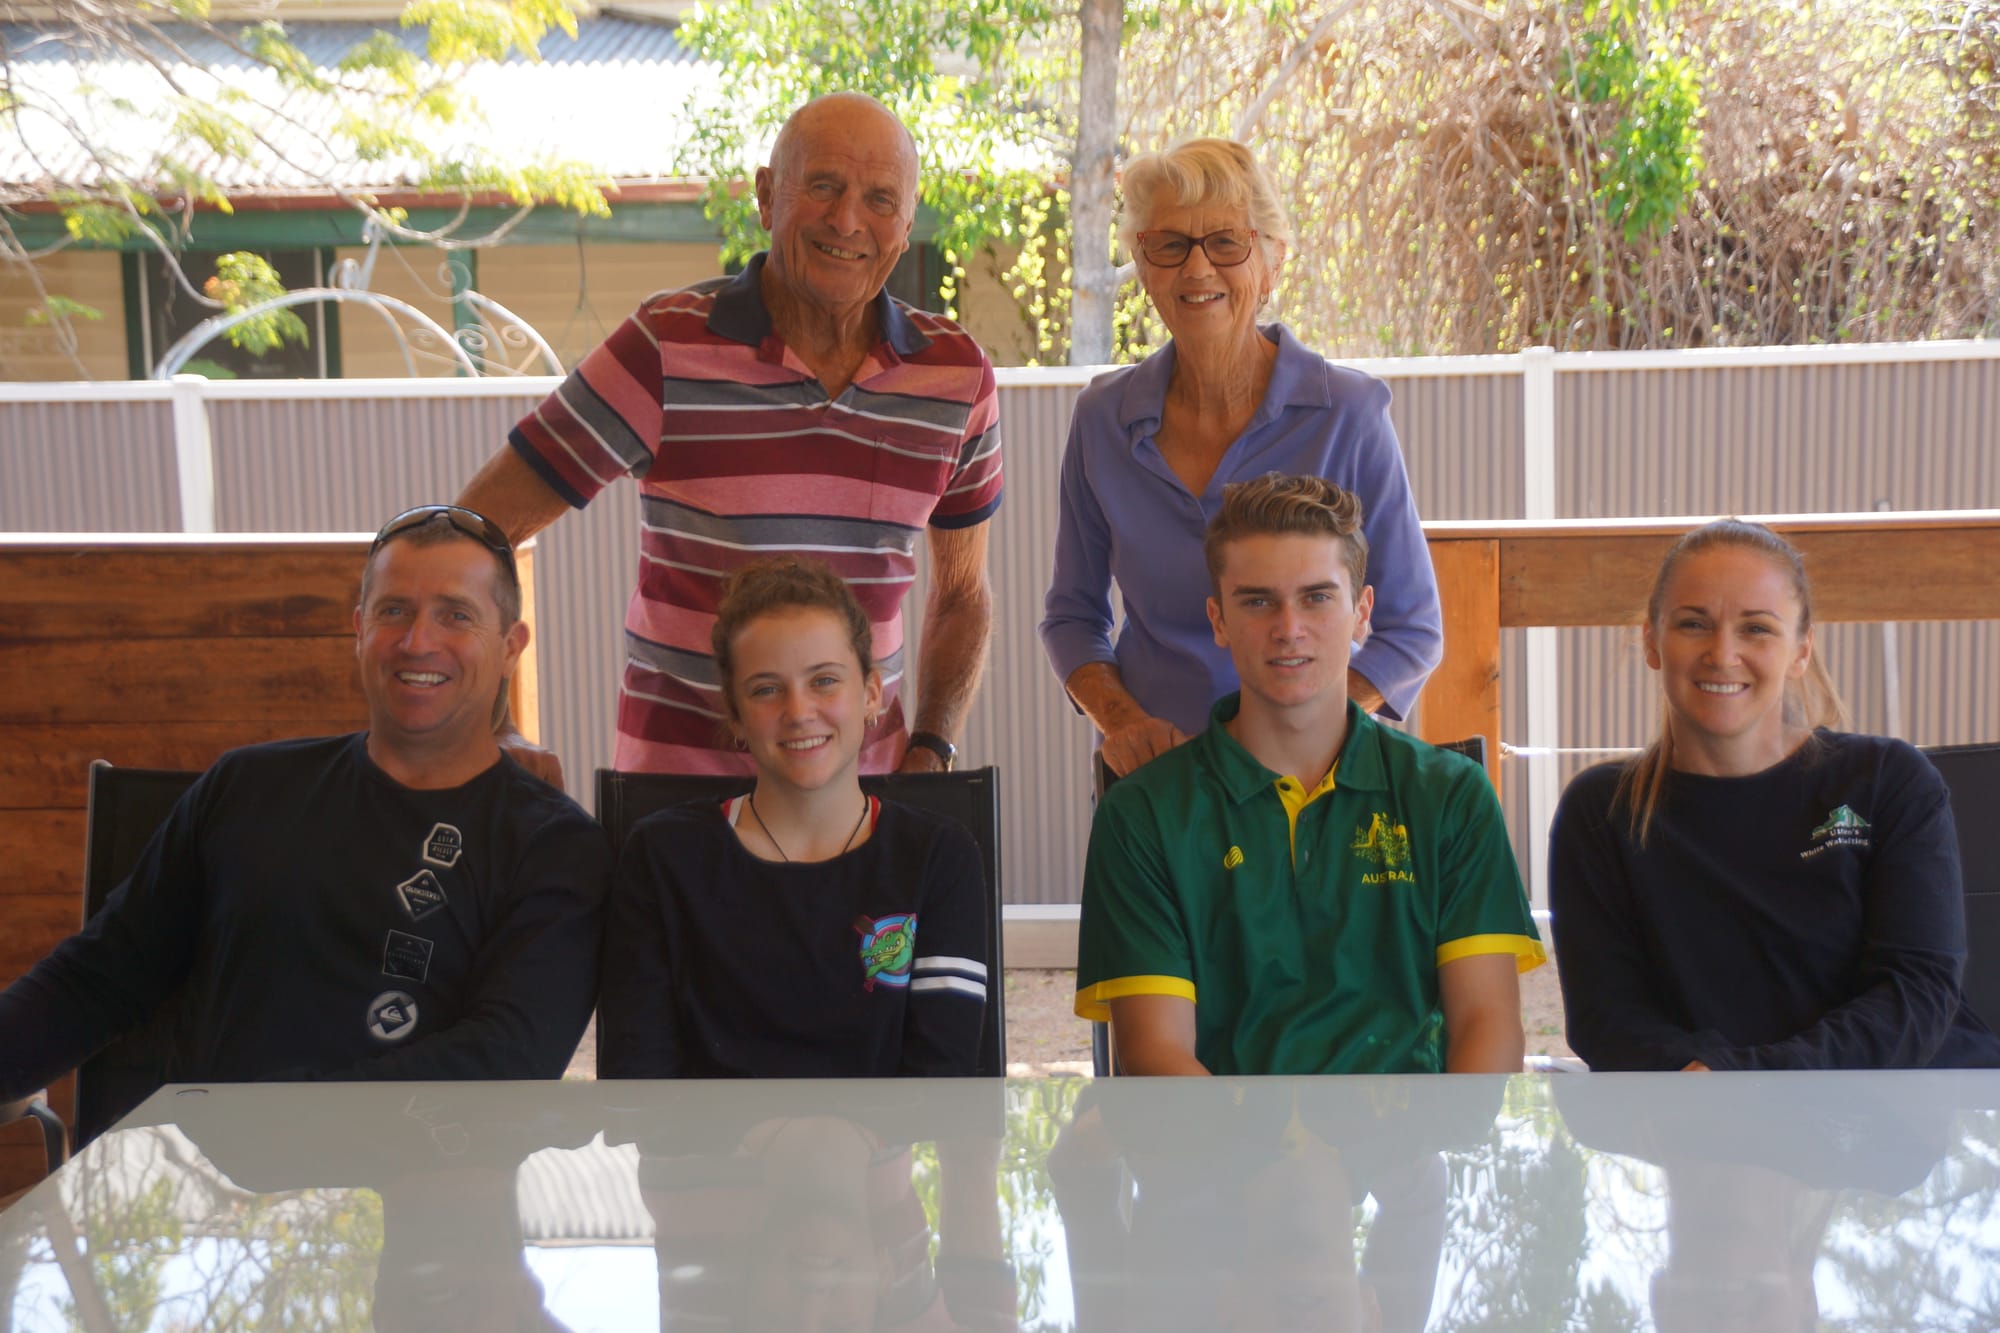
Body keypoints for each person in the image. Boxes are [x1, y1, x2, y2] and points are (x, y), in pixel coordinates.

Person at [0, 506, 611, 1130]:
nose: (417, 640)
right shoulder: (246, 786)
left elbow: (503, 1063)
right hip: (214, 1205)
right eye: (393, 610)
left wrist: (270, 1129)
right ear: (358, 629)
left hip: (421, 1200)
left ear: (511, 647)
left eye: (456, 615)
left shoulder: (555, 846)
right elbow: (99, 978)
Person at [457, 91, 1002, 785]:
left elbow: (962, 594)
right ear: (767, 197)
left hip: (863, 810)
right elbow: (476, 532)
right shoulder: (666, 345)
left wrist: (932, 746)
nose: (847, 220)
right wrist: (493, 721)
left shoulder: (954, 378)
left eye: (880, 200)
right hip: (679, 809)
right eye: (824, 186)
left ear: (907, 224)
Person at [1072, 474, 1541, 1076]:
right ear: (1218, 619)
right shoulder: (1144, 816)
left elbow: (1490, 1028)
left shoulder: (1449, 796)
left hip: (1408, 1156)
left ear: (1361, 612)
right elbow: (1155, 1057)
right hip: (1222, 1161)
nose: (1288, 627)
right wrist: (1265, 1171)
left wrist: (1405, 1158)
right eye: (1257, 600)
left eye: (1317, 597)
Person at [1041, 137, 1441, 778]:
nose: (1197, 270)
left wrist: (1302, 736)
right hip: (1157, 783)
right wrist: (1124, 722)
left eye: (1226, 242)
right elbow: (1072, 617)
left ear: (1273, 261)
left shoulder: (1350, 414)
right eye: (1169, 245)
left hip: (1313, 784)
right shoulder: (1102, 420)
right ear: (1144, 269)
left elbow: (1413, 628)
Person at [1548, 518, 2000, 1071]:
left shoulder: (1887, 778)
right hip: (1708, 1128)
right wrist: (1720, 1098)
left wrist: (1747, 1082)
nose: (1722, 652)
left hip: (1906, 1114)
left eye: (1756, 629)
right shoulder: (1601, 810)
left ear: (1801, 650)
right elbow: (1607, 1019)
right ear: (1652, 642)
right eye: (1694, 624)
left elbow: (1917, 993)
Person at [598, 556, 988, 1078]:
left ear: (871, 693)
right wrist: (763, 1145)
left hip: (876, 1159)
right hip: (712, 1161)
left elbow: (947, 1081)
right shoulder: (662, 858)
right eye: (765, 689)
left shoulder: (939, 858)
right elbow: (636, 1082)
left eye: (824, 680)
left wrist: (842, 1145)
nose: (799, 710)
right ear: (734, 714)